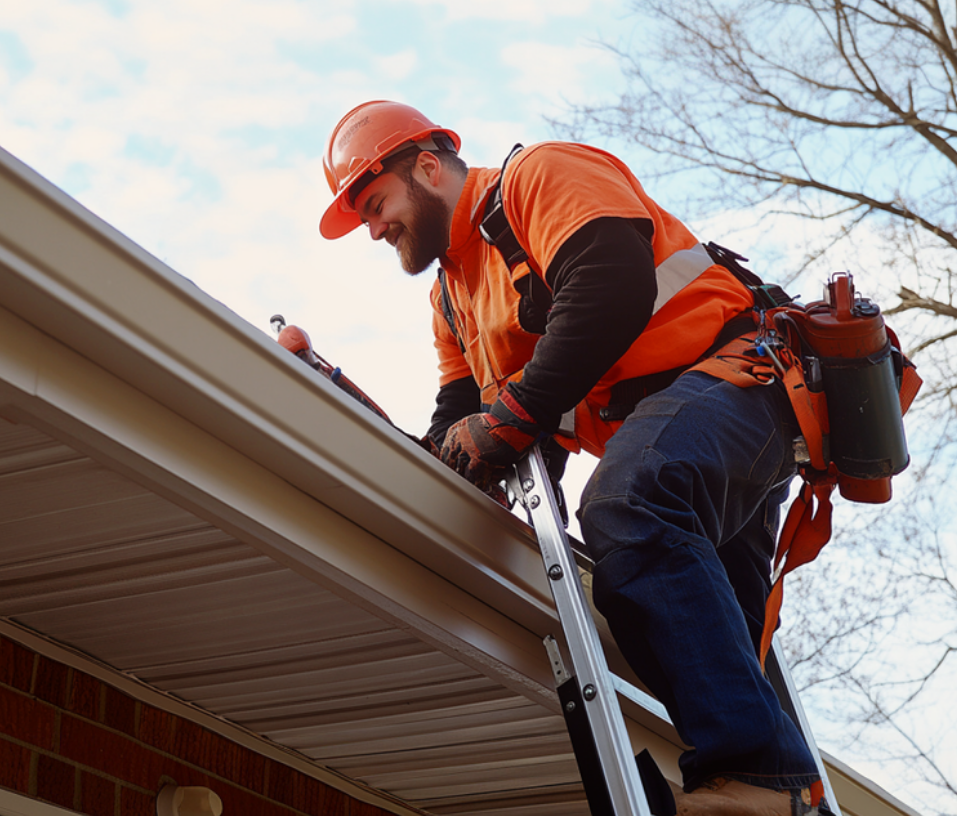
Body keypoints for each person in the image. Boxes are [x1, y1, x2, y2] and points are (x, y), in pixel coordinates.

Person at [319, 100, 823, 816]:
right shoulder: (453, 299)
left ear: (427, 168)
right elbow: (463, 425)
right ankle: (778, 792)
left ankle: (749, 771)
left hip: (742, 380)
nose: (373, 230)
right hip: (683, 432)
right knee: (675, 602)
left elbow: (611, 288)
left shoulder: (539, 177)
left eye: (374, 204)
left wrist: (508, 421)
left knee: (627, 507)